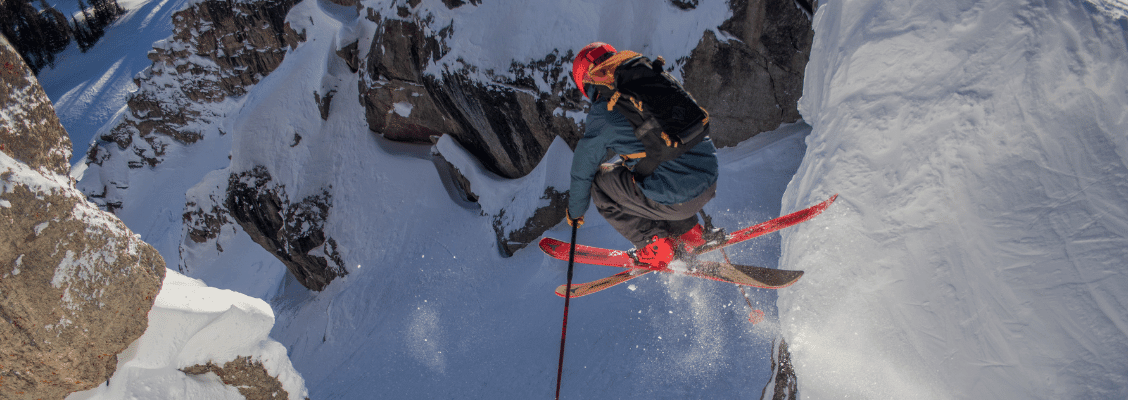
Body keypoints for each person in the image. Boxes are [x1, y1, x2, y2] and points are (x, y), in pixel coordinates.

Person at [565, 42, 719, 269]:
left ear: (585, 81)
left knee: (600, 183)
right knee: (642, 166)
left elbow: (583, 168)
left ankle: (654, 245)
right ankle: (688, 232)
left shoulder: (604, 111)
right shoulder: (655, 81)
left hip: (677, 199)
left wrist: (576, 211)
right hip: (709, 178)